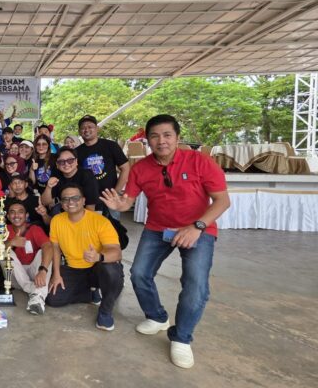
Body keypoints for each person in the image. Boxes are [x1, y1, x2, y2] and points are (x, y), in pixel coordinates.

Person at [100, 114, 230, 369]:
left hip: (198, 229)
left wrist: (197, 227)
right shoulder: (141, 168)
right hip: (158, 228)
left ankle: (181, 337)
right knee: (139, 274)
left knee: (195, 285)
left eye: (167, 135)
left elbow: (223, 201)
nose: (161, 141)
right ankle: (157, 316)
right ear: (147, 140)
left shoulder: (200, 162)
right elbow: (128, 201)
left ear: (177, 137)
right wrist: (119, 204)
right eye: (155, 136)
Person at [45, 184, 124, 331]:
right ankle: (90, 292)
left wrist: (99, 257)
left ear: (83, 200)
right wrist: (56, 275)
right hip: (73, 268)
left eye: (75, 198)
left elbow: (117, 252)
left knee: (112, 270)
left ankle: (105, 311)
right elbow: (55, 248)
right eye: (65, 199)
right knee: (53, 299)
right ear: (61, 203)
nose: (70, 202)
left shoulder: (99, 221)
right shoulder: (56, 220)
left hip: (96, 267)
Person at [2, 202, 52, 315]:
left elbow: (48, 246)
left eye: (20, 212)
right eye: (12, 212)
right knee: (5, 251)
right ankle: (36, 292)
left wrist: (43, 270)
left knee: (45, 251)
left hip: (35, 274)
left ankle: (37, 300)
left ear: (26, 215)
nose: (16, 215)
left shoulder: (34, 229)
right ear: (8, 216)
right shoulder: (4, 230)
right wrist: (11, 242)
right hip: (16, 277)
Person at [76, 115, 130, 219]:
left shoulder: (111, 146)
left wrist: (116, 192)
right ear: (79, 131)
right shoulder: (77, 152)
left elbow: (125, 168)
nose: (86, 130)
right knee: (90, 227)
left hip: (110, 199)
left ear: (97, 129)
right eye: (83, 128)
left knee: (113, 227)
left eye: (90, 126)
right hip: (88, 201)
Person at [42, 147, 99, 213]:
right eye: (61, 161)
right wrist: (49, 187)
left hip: (87, 212)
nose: (66, 164)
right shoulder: (56, 176)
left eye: (70, 160)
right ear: (57, 165)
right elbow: (45, 202)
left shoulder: (87, 175)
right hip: (67, 211)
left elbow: (91, 206)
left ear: (76, 161)